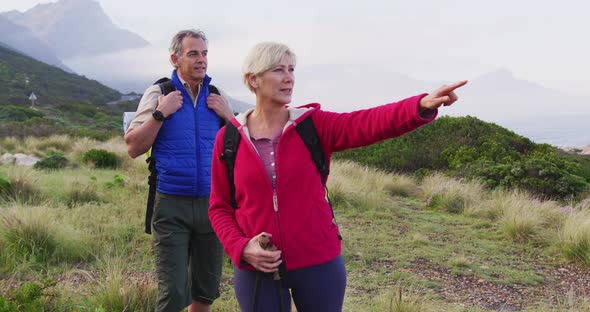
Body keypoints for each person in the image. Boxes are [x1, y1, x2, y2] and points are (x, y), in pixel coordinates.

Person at [208, 41, 467, 312]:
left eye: (291, 69)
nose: (289, 78)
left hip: (319, 262)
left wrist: (420, 106)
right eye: (278, 70)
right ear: (254, 79)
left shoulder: (314, 125)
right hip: (258, 265)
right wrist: (241, 247)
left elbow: (368, 124)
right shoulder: (229, 139)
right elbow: (219, 207)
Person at [125, 29, 234, 312]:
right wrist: (161, 113)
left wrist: (230, 118)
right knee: (173, 293)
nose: (202, 60)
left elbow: (242, 151)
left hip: (213, 205)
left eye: (205, 53)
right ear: (175, 59)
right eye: (193, 54)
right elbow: (133, 147)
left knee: (205, 291)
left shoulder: (217, 96)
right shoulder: (159, 93)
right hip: (171, 205)